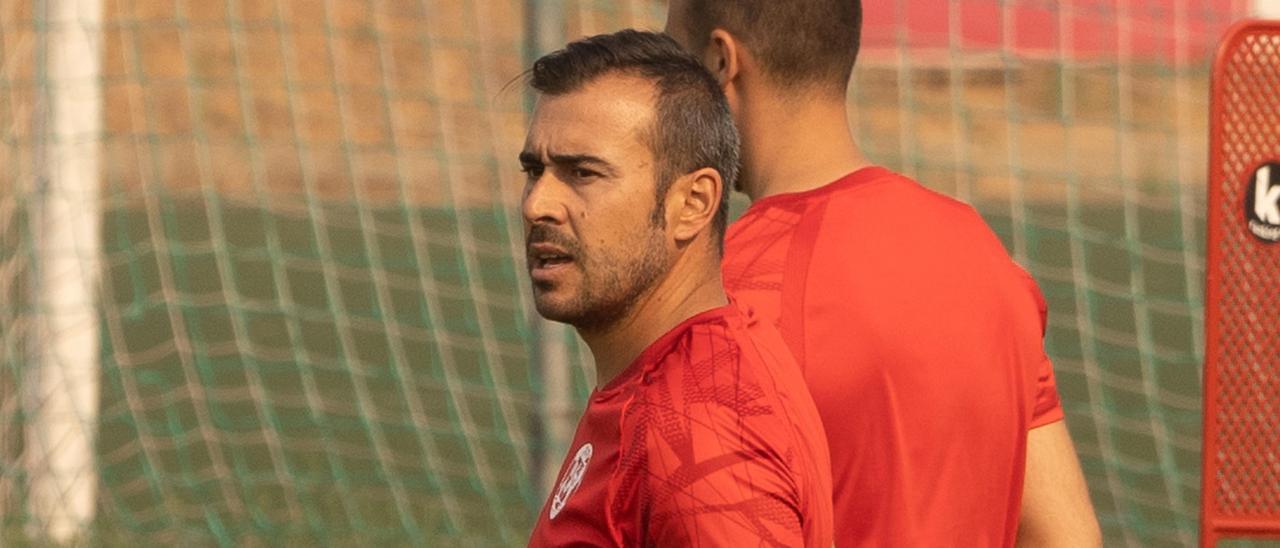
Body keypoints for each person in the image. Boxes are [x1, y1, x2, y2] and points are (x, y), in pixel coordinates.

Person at [663, 2, 1102, 546]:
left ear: (721, 60)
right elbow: (1069, 537)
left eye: (674, 63)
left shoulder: (714, 292)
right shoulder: (985, 260)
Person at [519, 29, 833, 547]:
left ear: (692, 203)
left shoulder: (699, 426)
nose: (538, 204)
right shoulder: (670, 377)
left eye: (583, 172)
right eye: (535, 170)